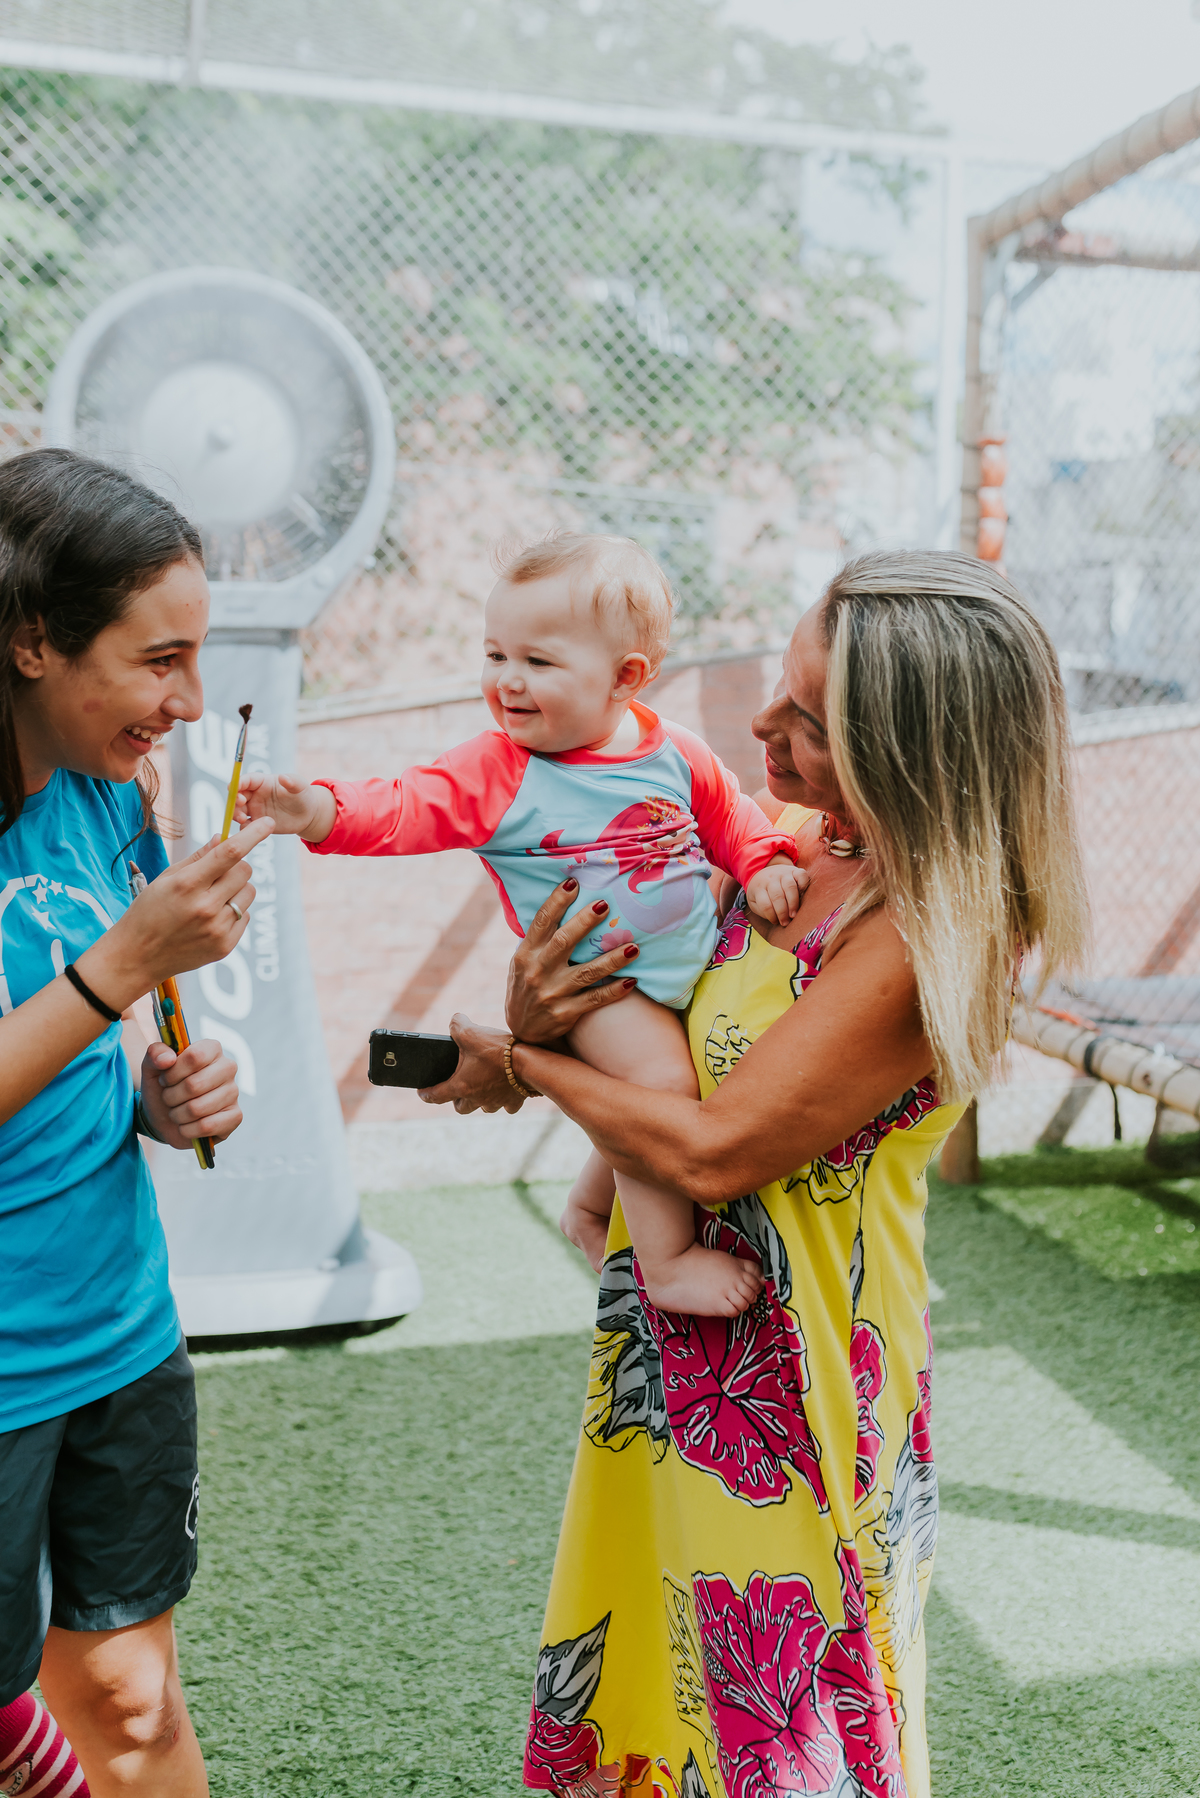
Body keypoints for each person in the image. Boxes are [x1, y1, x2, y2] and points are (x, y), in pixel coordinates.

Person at [420, 551, 1088, 1798]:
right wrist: (546, 1002)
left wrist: (519, 1060)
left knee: (784, 1730)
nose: (762, 729)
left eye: (812, 721)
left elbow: (722, 1145)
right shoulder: (781, 842)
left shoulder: (928, 930)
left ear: (919, 753)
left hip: (795, 1375)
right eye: (777, 690)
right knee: (660, 1698)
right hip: (673, 1341)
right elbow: (641, 997)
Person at [238, 532, 806, 1316]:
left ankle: (590, 1207)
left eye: (538, 662)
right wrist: (312, 811)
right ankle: (667, 1260)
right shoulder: (499, 768)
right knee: (663, 1088)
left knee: (671, 1087)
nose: (507, 680)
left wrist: (767, 860)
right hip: (604, 990)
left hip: (689, 969)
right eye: (495, 654)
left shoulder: (674, 750)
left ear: (626, 677)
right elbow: (403, 805)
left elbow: (730, 818)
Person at [0, 448, 272, 1798]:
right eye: (161, 659)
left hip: (118, 1325)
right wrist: (118, 963)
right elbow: (95, 980)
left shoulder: (113, 796)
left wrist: (167, 1096)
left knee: (127, 1694)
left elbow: (99, 1038)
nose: (190, 699)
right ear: (33, 638)